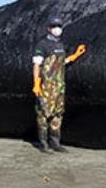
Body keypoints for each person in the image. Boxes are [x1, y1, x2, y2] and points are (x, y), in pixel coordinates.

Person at [32, 16, 87, 153]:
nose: (57, 29)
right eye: (54, 26)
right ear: (49, 28)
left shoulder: (60, 45)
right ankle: (43, 143)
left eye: (59, 26)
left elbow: (61, 63)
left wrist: (75, 56)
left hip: (59, 86)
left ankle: (55, 142)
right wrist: (36, 83)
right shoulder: (42, 45)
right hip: (46, 85)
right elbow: (37, 65)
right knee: (43, 114)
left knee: (57, 113)